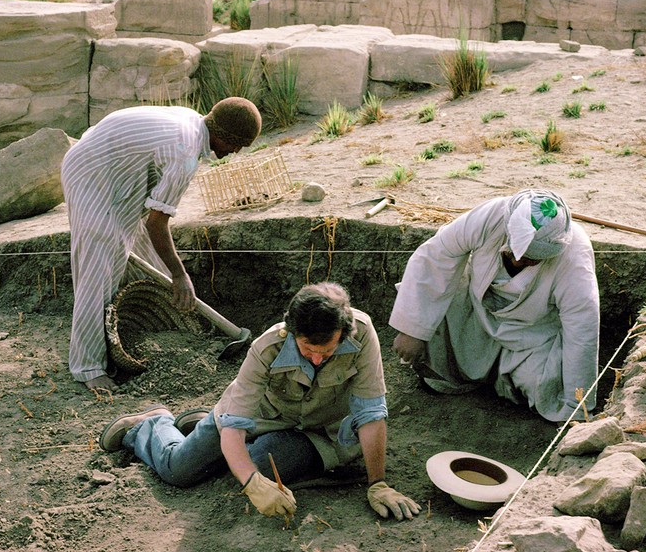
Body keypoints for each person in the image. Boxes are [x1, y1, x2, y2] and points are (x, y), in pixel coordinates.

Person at [98, 282, 422, 522]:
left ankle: (207, 434)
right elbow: (235, 422)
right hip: (260, 417)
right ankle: (152, 424)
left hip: (317, 432)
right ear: (292, 331)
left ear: (344, 332)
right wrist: (252, 484)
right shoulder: (267, 346)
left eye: (328, 350)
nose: (318, 358)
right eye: (309, 349)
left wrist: (378, 483)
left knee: (261, 465)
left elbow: (370, 412)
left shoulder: (362, 335)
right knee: (180, 469)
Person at [61, 97, 262, 390]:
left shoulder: (194, 122)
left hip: (119, 169)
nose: (235, 152)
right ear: (226, 137)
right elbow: (157, 223)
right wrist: (180, 275)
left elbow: (149, 223)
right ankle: (89, 367)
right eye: (237, 145)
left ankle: (153, 330)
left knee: (139, 248)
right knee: (99, 262)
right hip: (92, 171)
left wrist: (174, 275)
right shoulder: (185, 154)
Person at [389, 189, 600, 422]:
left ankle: (507, 381)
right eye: (515, 251)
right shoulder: (493, 214)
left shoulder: (574, 255)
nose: (518, 261)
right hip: (475, 311)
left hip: (530, 335)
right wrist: (412, 329)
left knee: (547, 390)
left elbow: (582, 328)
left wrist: (577, 408)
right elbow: (437, 254)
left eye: (531, 259)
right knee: (433, 323)